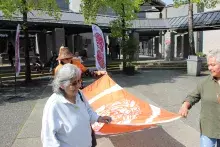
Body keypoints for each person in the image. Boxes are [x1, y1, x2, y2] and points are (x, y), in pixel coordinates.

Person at [41, 63, 112, 147]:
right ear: (62, 85)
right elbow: (48, 138)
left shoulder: (79, 94)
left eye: (79, 81)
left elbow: (88, 110)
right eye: (73, 83)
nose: (78, 85)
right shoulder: (54, 105)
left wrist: (98, 118)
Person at [179, 49, 220, 147]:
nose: (209, 68)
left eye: (213, 65)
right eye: (208, 65)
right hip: (209, 129)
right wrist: (185, 106)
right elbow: (192, 96)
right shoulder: (204, 83)